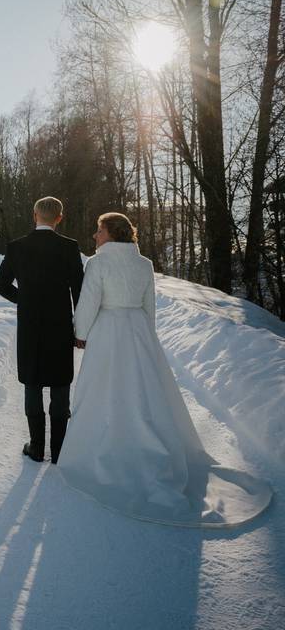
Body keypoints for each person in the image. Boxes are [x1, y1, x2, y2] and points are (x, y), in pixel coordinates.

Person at [58, 212, 272, 527]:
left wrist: (81, 334)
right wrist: (147, 338)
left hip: (108, 331)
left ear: (111, 233)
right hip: (138, 331)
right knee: (143, 391)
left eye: (98, 230)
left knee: (103, 389)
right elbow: (149, 306)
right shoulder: (143, 264)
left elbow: (89, 301)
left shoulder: (98, 263)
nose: (94, 236)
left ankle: (104, 448)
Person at [0, 196, 84, 464]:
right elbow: (79, 290)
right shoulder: (69, 248)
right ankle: (59, 451)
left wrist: (25, 299)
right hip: (60, 326)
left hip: (30, 326)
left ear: (35, 215)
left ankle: (36, 448)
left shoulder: (16, 247)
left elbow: (1, 285)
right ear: (59, 218)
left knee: (32, 384)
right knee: (60, 384)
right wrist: (81, 326)